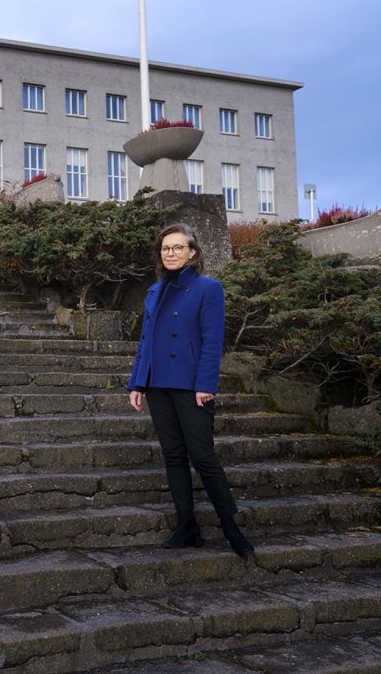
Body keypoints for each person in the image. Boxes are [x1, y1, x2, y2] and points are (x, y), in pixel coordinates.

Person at [127, 223, 255, 558]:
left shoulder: (208, 288)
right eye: (165, 248)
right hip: (157, 383)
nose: (170, 253)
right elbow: (146, 341)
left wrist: (205, 384)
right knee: (173, 456)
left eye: (177, 247)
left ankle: (230, 526)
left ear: (192, 252)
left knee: (202, 456)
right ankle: (187, 524)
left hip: (190, 385)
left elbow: (212, 341)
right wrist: (137, 382)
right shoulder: (155, 291)